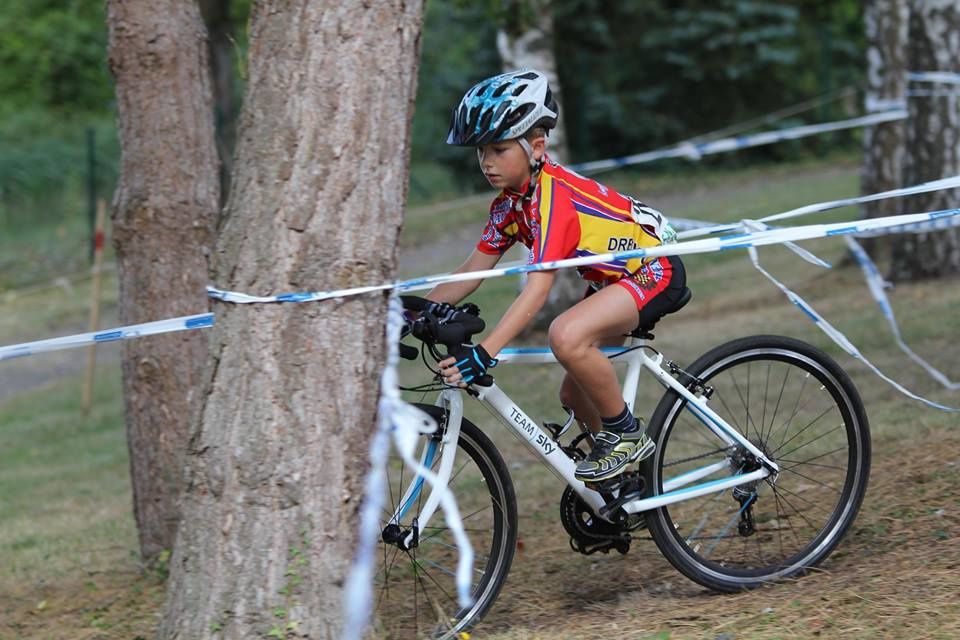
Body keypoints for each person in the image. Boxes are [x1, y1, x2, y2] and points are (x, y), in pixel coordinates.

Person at [426, 69, 688, 483]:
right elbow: (472, 271)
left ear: (536, 146)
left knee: (565, 335)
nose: (487, 163)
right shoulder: (511, 204)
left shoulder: (553, 198)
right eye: (481, 152)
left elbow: (538, 290)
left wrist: (485, 352)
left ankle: (626, 435)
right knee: (573, 392)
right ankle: (622, 487)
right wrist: (417, 310)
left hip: (655, 268)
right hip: (612, 280)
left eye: (497, 149)